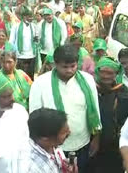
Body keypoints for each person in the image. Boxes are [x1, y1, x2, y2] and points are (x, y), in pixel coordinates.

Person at [29, 45, 102, 173]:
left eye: (73, 66)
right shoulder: (40, 84)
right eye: (65, 67)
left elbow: (95, 109)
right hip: (55, 148)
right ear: (55, 64)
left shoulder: (87, 80)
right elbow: (35, 118)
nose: (69, 70)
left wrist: (96, 138)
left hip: (83, 142)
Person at [90, 57, 128, 173]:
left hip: (112, 146)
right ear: (97, 71)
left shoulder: (123, 92)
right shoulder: (90, 89)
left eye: (110, 73)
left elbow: (127, 118)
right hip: (90, 141)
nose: (106, 76)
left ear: (116, 74)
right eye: (103, 72)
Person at [27, 108, 78, 173]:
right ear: (45, 138)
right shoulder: (32, 168)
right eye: (64, 132)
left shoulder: (52, 144)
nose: (69, 133)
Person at [9, 5, 38, 79]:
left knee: (30, 77)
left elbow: (36, 40)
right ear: (24, 16)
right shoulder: (16, 27)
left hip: (32, 55)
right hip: (20, 56)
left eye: (32, 16)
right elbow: (11, 41)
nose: (31, 18)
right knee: (20, 76)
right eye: (29, 16)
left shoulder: (34, 26)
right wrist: (13, 54)